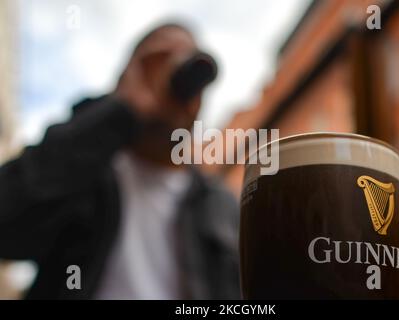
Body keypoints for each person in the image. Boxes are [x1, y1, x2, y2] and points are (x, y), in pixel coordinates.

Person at [0, 23, 240, 299]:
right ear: (125, 79)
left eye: (190, 67)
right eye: (156, 63)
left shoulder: (219, 203)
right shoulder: (83, 170)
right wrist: (122, 111)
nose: (176, 82)